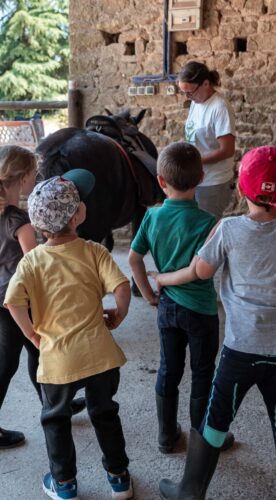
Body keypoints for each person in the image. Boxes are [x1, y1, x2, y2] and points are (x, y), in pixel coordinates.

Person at [157, 146, 276, 499]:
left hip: (240, 349)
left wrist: (162, 280)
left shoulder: (228, 229)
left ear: (240, 189)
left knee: (215, 418)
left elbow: (199, 271)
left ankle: (190, 491)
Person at [6, 171, 133, 500]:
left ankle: (63, 484)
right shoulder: (94, 251)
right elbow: (121, 286)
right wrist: (119, 313)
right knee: (104, 413)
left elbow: (13, 303)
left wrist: (33, 335)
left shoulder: (32, 261)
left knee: (56, 419)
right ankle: (119, 478)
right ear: (78, 215)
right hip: (101, 355)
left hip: (58, 359)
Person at [0, 145, 85, 451]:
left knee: (37, 355)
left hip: (0, 295)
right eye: (34, 174)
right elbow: (35, 264)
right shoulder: (20, 220)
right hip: (14, 301)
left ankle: (55, 405)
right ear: (22, 179)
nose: (36, 178)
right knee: (8, 365)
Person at [128, 142, 233, 455]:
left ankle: (166, 436)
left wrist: (148, 295)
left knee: (168, 370)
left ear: (161, 181)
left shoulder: (151, 218)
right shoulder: (209, 224)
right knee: (203, 372)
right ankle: (202, 438)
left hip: (168, 307)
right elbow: (205, 271)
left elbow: (134, 259)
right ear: (201, 178)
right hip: (201, 311)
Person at [178, 61, 236, 219]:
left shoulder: (220, 107)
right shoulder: (196, 102)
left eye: (190, 92)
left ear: (205, 84)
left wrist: (195, 161)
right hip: (197, 176)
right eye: (184, 92)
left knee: (207, 228)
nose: (187, 97)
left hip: (213, 180)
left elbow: (227, 150)